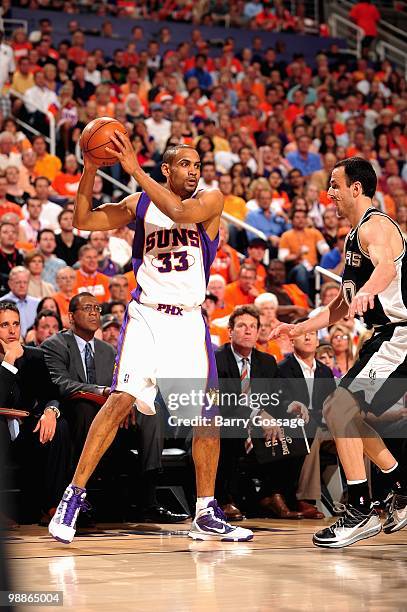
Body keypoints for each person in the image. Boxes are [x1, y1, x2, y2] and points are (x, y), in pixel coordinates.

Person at [49, 141, 253, 543]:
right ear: (166, 169)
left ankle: (206, 511)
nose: (193, 171)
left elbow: (178, 212)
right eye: (184, 164)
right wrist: (91, 167)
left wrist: (132, 167)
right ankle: (72, 497)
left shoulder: (210, 199)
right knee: (120, 399)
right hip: (147, 315)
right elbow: (83, 219)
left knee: (206, 416)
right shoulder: (139, 203)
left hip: (189, 320)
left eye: (197, 164)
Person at [271, 157, 407, 548]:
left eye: (335, 185)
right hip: (383, 337)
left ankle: (360, 510)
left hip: (399, 335)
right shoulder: (351, 239)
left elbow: (386, 269)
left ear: (356, 188)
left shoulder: (376, 226)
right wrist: (299, 326)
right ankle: (398, 487)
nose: (328, 193)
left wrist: (369, 290)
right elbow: (339, 308)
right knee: (347, 416)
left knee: (338, 409)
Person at [0, 266, 40, 338]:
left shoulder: (37, 303)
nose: (22, 285)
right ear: (10, 284)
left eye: (25, 282)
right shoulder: (1, 303)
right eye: (18, 282)